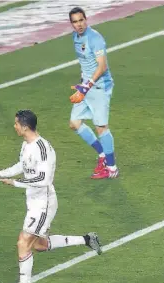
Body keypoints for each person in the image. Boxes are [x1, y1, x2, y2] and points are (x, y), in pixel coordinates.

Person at [0, 110, 102, 283]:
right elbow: (23, 165)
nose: (14, 126)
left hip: (43, 203)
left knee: (23, 242)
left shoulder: (43, 149)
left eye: (16, 124)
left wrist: (15, 183)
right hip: (33, 202)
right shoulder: (26, 145)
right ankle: (87, 239)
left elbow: (43, 179)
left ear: (25, 127)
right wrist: (0, 173)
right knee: (39, 245)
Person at [69, 7, 119, 179]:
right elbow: (85, 63)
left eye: (81, 20)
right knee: (74, 123)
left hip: (99, 87)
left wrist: (87, 85)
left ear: (86, 19)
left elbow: (102, 66)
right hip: (85, 87)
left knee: (101, 127)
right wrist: (82, 82)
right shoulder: (75, 37)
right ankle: (102, 155)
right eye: (75, 22)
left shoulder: (95, 38)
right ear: (72, 24)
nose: (79, 24)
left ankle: (112, 168)